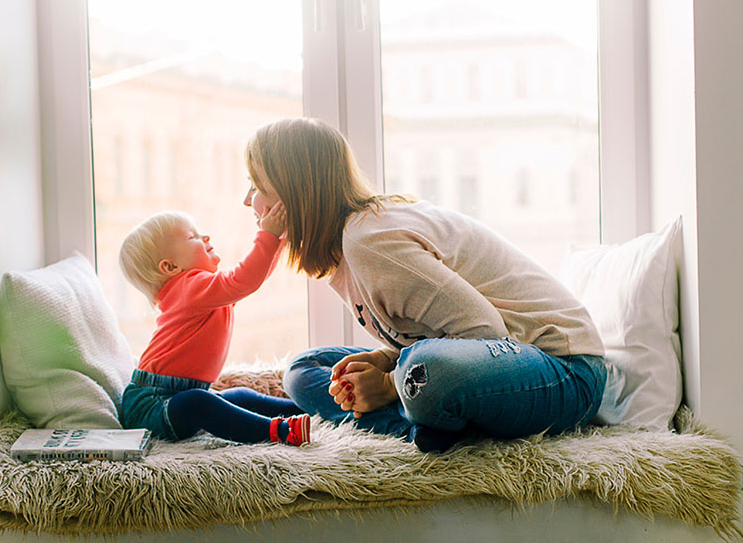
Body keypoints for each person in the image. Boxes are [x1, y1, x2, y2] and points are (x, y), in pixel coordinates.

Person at [243, 117, 607, 452]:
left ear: (296, 193)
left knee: (424, 370)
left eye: (258, 186)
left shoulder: (370, 241)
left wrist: (387, 384)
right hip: (488, 363)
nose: (249, 200)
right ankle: (422, 426)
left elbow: (486, 331)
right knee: (305, 370)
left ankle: (417, 416)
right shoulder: (346, 249)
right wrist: (388, 361)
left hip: (564, 371)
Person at [118, 204, 310, 446]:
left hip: (176, 395)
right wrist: (269, 236)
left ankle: (304, 410)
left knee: (239, 396)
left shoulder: (201, 291)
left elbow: (251, 279)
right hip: (151, 405)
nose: (205, 237)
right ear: (170, 267)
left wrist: (279, 240)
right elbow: (244, 279)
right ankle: (278, 431)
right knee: (199, 403)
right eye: (192, 237)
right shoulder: (189, 287)